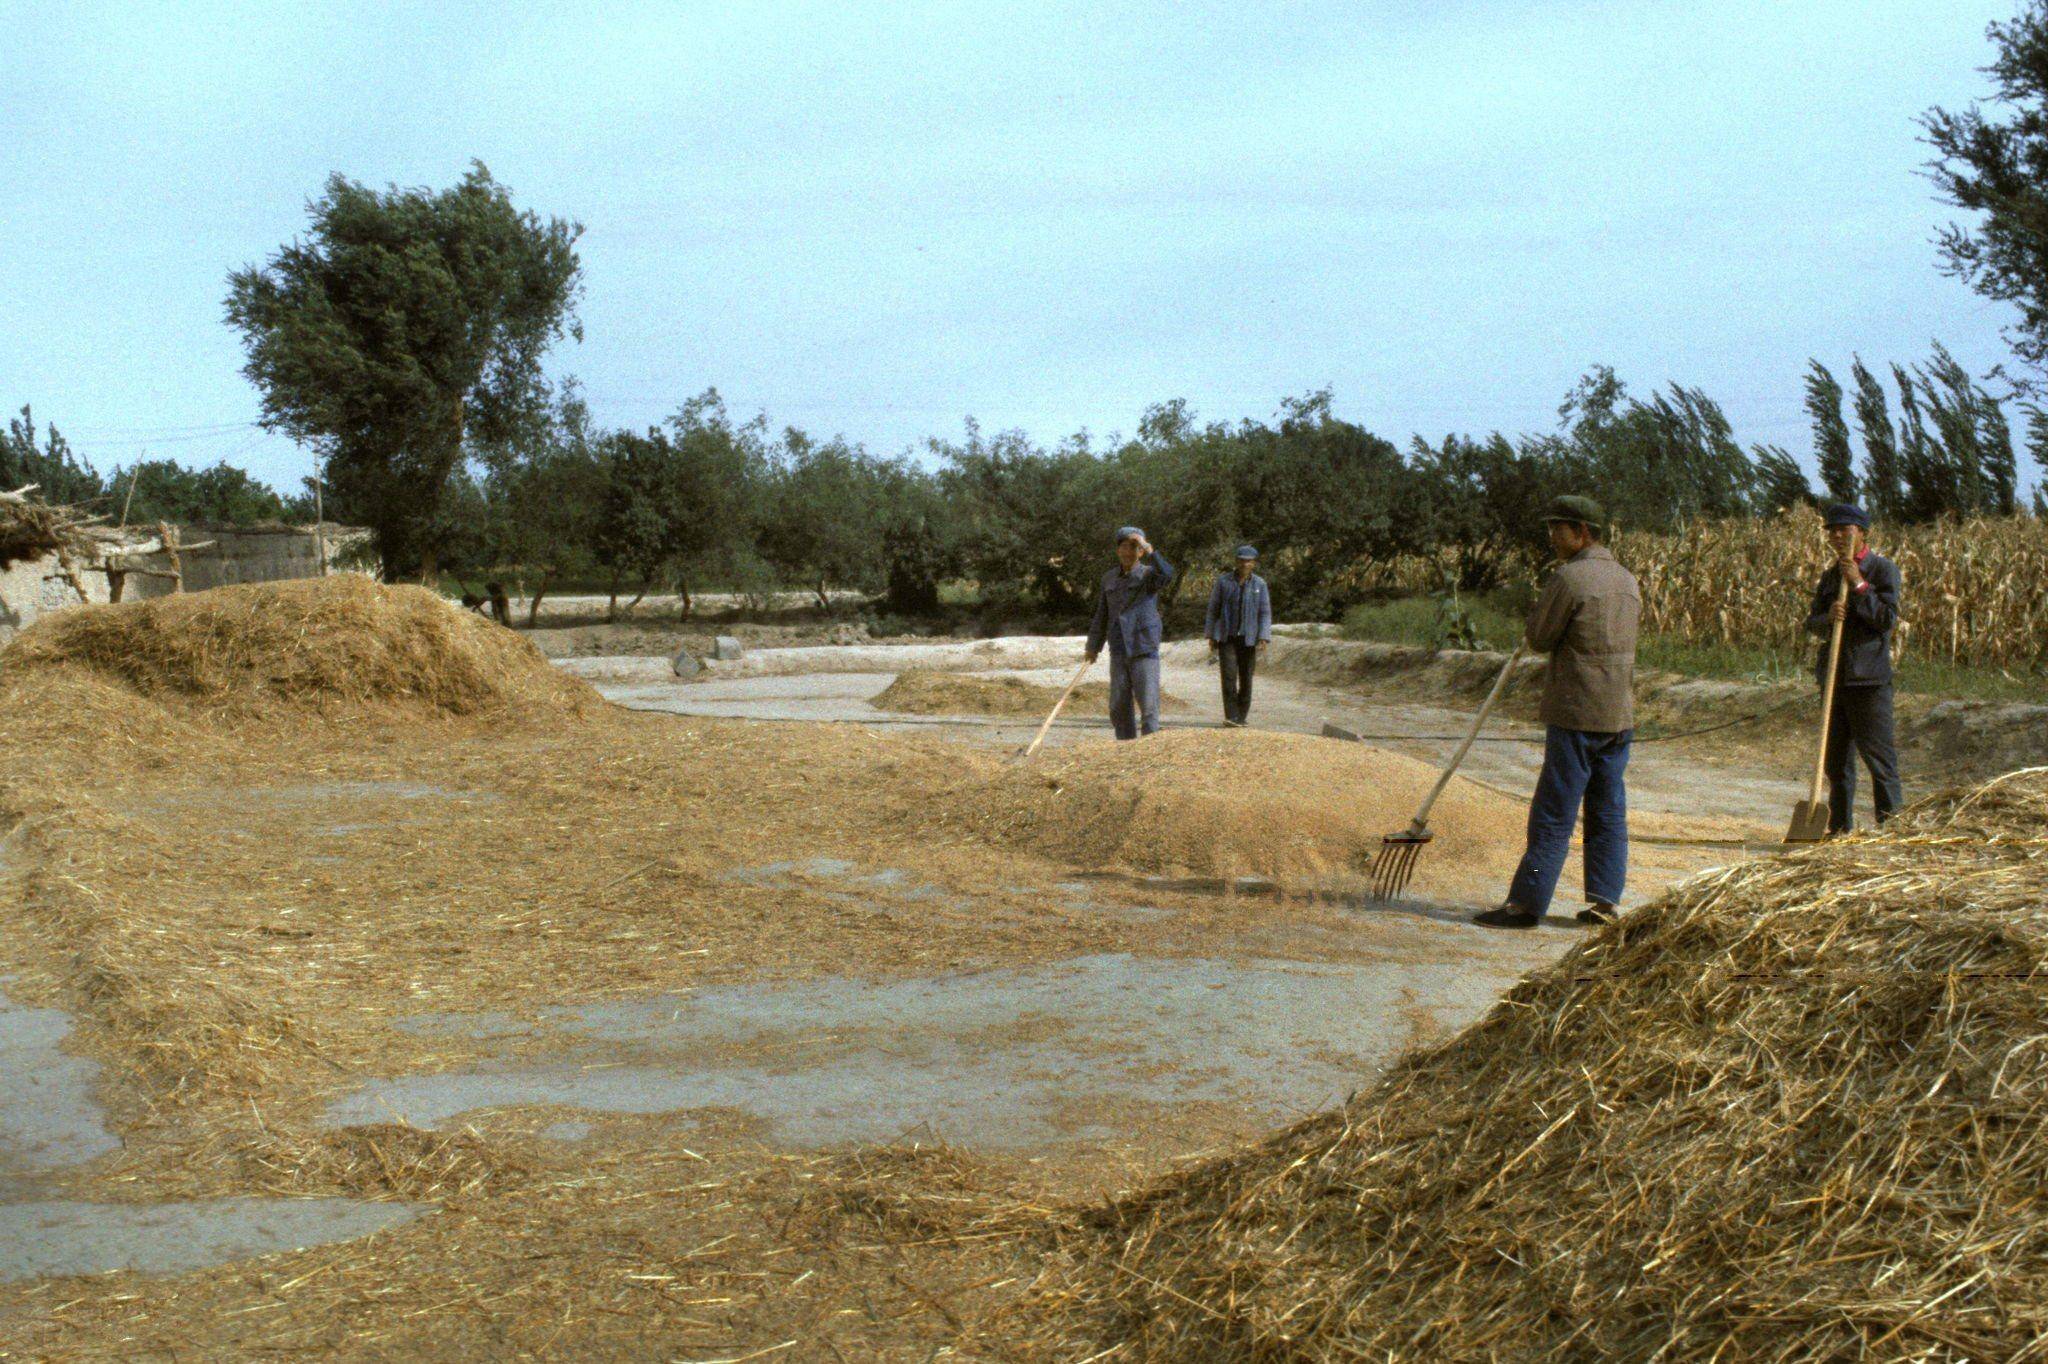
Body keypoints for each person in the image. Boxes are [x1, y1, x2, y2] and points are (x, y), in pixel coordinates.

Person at [1476, 495, 1641, 930]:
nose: (1551, 537)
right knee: (1607, 810)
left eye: (1557, 529)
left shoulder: (1570, 579)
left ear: (1581, 532)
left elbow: (1541, 638)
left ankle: (1525, 906)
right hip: (1619, 713)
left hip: (1577, 712)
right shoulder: (1628, 580)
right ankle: (1605, 904)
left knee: (1553, 812)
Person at [1803, 502, 1902, 832]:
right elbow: (1812, 623)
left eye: (1844, 529)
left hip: (1869, 680)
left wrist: (1859, 585)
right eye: (1832, 530)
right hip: (1835, 679)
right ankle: (1839, 829)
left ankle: (1890, 830)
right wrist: (1827, 617)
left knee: (1880, 762)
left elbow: (1886, 620)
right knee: (1836, 763)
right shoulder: (1830, 576)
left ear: (1861, 533)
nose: (1837, 535)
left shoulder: (1882, 570)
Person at [1085, 526, 1175, 740]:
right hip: (1118, 647)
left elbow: (1168, 574)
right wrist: (1093, 646)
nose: (1128, 552)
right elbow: (1102, 614)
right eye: (1124, 547)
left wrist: (1149, 548)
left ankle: (1149, 751)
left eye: (1134, 547)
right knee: (1118, 706)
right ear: (1118, 551)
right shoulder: (1109, 579)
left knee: (1148, 706)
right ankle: (1126, 750)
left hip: (1143, 646)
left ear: (1141, 552)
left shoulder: (1149, 575)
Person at [1204, 545, 1272, 726]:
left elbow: (1265, 612)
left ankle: (1242, 716)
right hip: (1227, 637)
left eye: (1248, 561)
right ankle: (1231, 716)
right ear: (1236, 561)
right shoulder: (1223, 582)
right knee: (1228, 676)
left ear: (1254, 563)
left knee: (1246, 678)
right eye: (1241, 560)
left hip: (1249, 639)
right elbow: (1213, 609)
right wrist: (1211, 634)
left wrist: (1264, 635)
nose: (1244, 564)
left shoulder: (1260, 584)